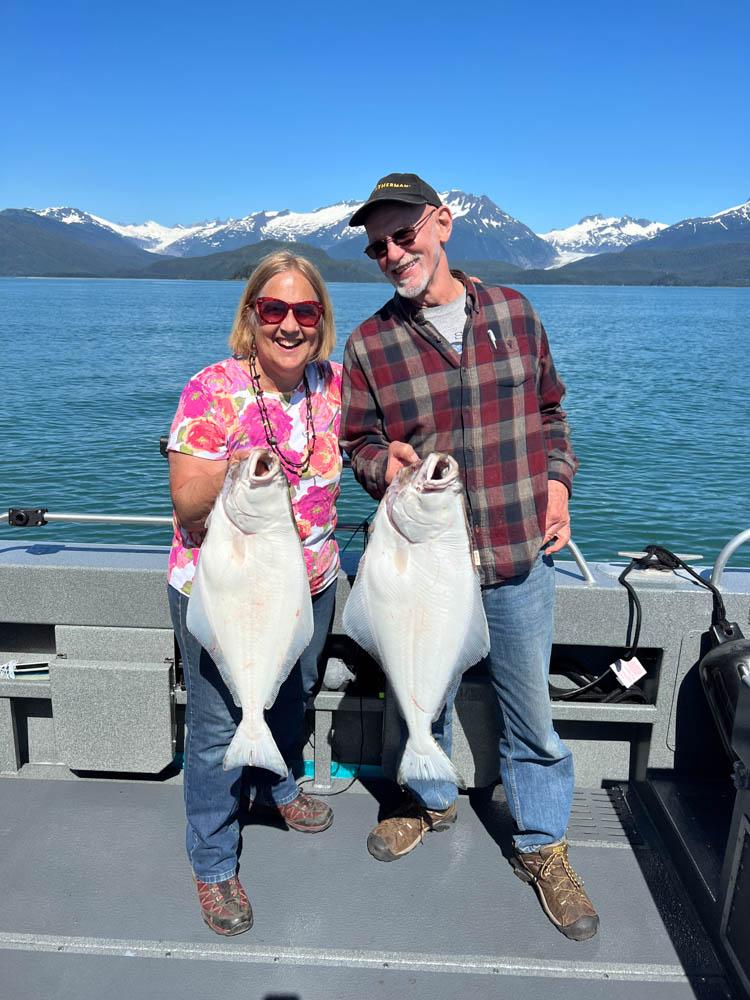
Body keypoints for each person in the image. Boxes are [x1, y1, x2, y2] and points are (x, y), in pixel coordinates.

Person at [341, 173, 598, 941]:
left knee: (532, 714)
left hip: (519, 557)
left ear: (442, 224)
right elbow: (357, 443)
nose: (392, 253)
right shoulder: (369, 344)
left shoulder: (515, 312)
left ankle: (543, 845)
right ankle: (425, 803)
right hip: (425, 567)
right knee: (418, 697)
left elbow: (551, 411)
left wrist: (559, 483)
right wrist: (379, 465)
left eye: (403, 235)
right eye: (377, 246)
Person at [167, 251, 342, 936]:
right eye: (274, 309)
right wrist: (232, 471)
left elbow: (374, 446)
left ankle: (275, 786)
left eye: (305, 310)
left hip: (310, 582)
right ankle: (213, 863)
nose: (290, 325)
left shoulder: (334, 386)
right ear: (251, 315)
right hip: (225, 590)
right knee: (217, 728)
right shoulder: (211, 390)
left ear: (321, 319)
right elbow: (186, 505)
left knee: (295, 691)